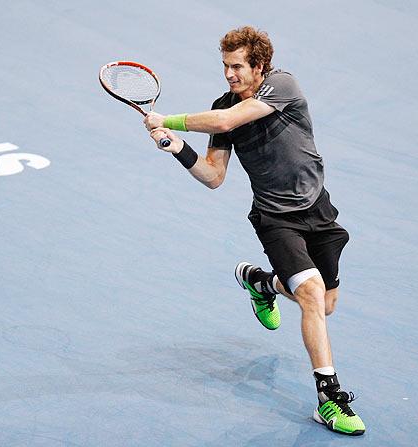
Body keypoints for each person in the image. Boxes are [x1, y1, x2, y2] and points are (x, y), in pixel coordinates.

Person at [144, 26, 365, 436]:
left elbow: (229, 120)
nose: (229, 74)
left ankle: (261, 284)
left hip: (318, 210)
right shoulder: (220, 107)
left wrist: (169, 118)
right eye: (225, 66)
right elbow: (213, 176)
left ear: (259, 66)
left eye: (237, 66)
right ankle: (329, 399)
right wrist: (175, 146)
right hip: (274, 219)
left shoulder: (283, 85)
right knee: (312, 295)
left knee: (325, 303)